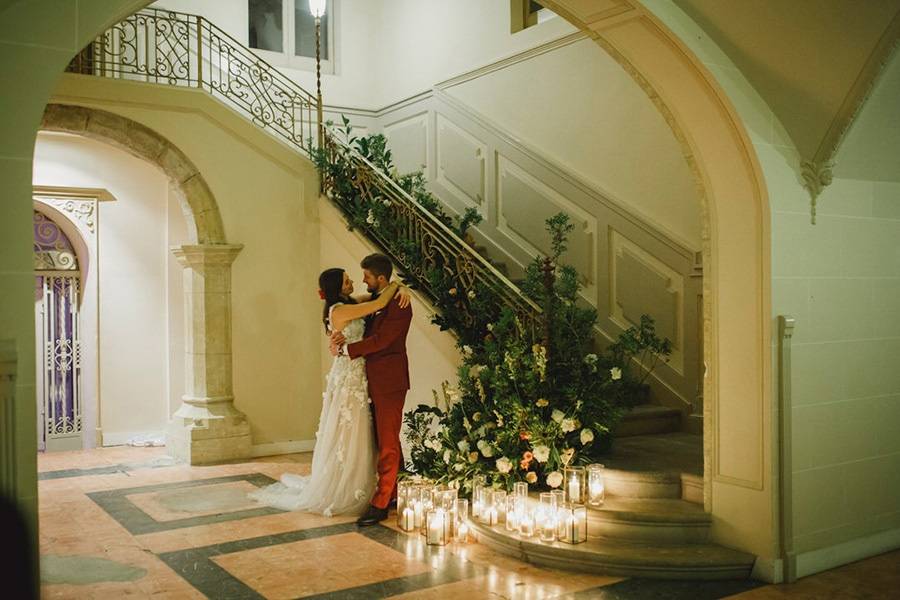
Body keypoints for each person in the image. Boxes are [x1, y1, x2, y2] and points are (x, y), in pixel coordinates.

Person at [249, 266, 408, 516]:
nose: (354, 281)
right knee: (349, 429)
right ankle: (346, 486)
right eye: (347, 281)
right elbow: (379, 302)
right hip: (349, 375)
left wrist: (396, 287)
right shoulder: (341, 310)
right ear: (337, 287)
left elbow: (376, 298)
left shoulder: (349, 303)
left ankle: (375, 487)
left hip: (359, 374)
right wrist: (398, 285)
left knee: (362, 432)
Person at [330, 253, 413, 526]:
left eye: (366, 276)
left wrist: (348, 349)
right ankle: (395, 492)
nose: (362, 280)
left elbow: (382, 340)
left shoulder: (399, 305)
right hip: (369, 380)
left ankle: (380, 503)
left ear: (379, 277)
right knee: (383, 440)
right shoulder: (379, 299)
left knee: (388, 442)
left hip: (389, 382)